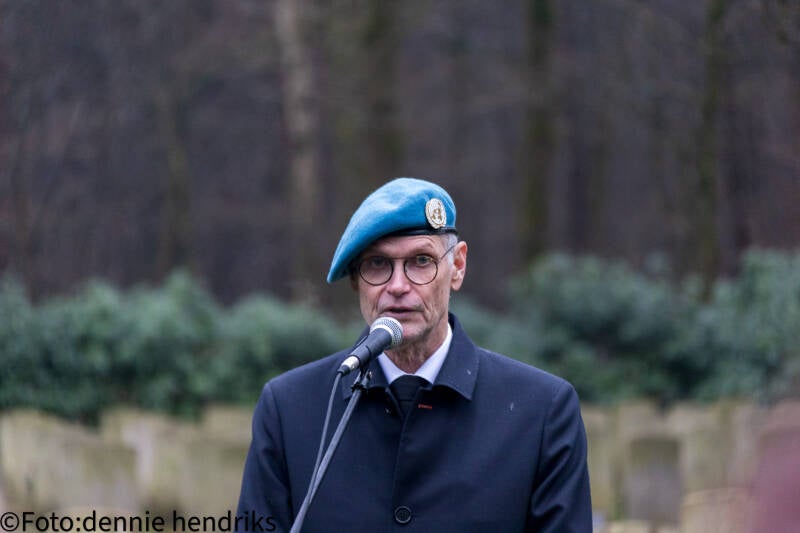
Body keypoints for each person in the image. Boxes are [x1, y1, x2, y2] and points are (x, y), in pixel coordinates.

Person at [236, 177, 592, 532]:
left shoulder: (541, 411)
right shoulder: (289, 408)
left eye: (421, 261)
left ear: (458, 267)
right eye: (377, 263)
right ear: (355, 281)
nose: (398, 286)